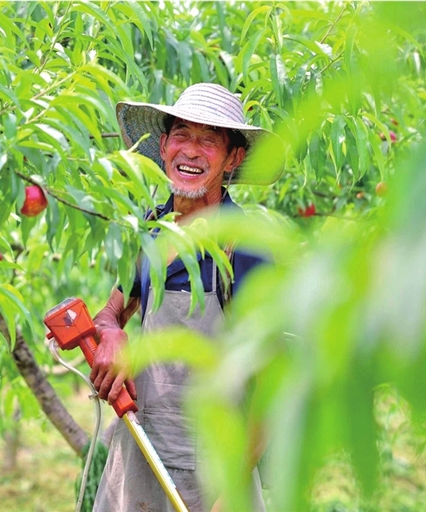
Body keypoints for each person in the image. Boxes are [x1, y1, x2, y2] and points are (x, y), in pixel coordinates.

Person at [90, 83, 283, 512]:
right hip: (137, 457)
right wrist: (110, 335)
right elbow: (110, 311)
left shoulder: (244, 246)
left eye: (208, 140)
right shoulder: (152, 227)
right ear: (163, 145)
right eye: (181, 134)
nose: (191, 151)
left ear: (233, 158)